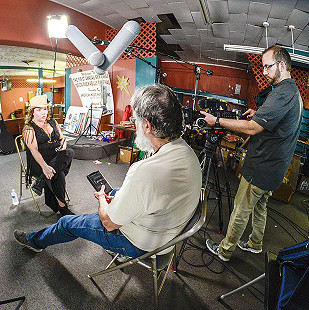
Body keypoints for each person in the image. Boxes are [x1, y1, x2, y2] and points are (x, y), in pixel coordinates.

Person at [14, 84, 202, 258]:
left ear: (147, 126)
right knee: (117, 192)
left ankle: (34, 241)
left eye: (135, 121)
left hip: (141, 243)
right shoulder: (189, 153)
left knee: (66, 223)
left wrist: (103, 200)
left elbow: (109, 223)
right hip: (169, 237)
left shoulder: (143, 171)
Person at [203, 45, 303, 262]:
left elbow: (252, 128)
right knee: (260, 207)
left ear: (282, 65)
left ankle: (225, 250)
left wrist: (217, 121)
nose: (265, 72)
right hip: (275, 170)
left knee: (241, 209)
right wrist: (260, 113)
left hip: (261, 167)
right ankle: (255, 244)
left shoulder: (282, 93)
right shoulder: (293, 93)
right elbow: (280, 122)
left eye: (267, 67)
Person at [22, 95, 74, 216]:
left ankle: (41, 181)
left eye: (45, 109)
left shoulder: (52, 122)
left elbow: (62, 139)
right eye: (38, 110)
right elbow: (34, 150)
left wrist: (63, 146)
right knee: (59, 174)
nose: (43, 113)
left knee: (70, 151)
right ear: (32, 112)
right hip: (39, 162)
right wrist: (45, 167)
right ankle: (63, 208)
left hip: (56, 158)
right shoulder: (29, 128)